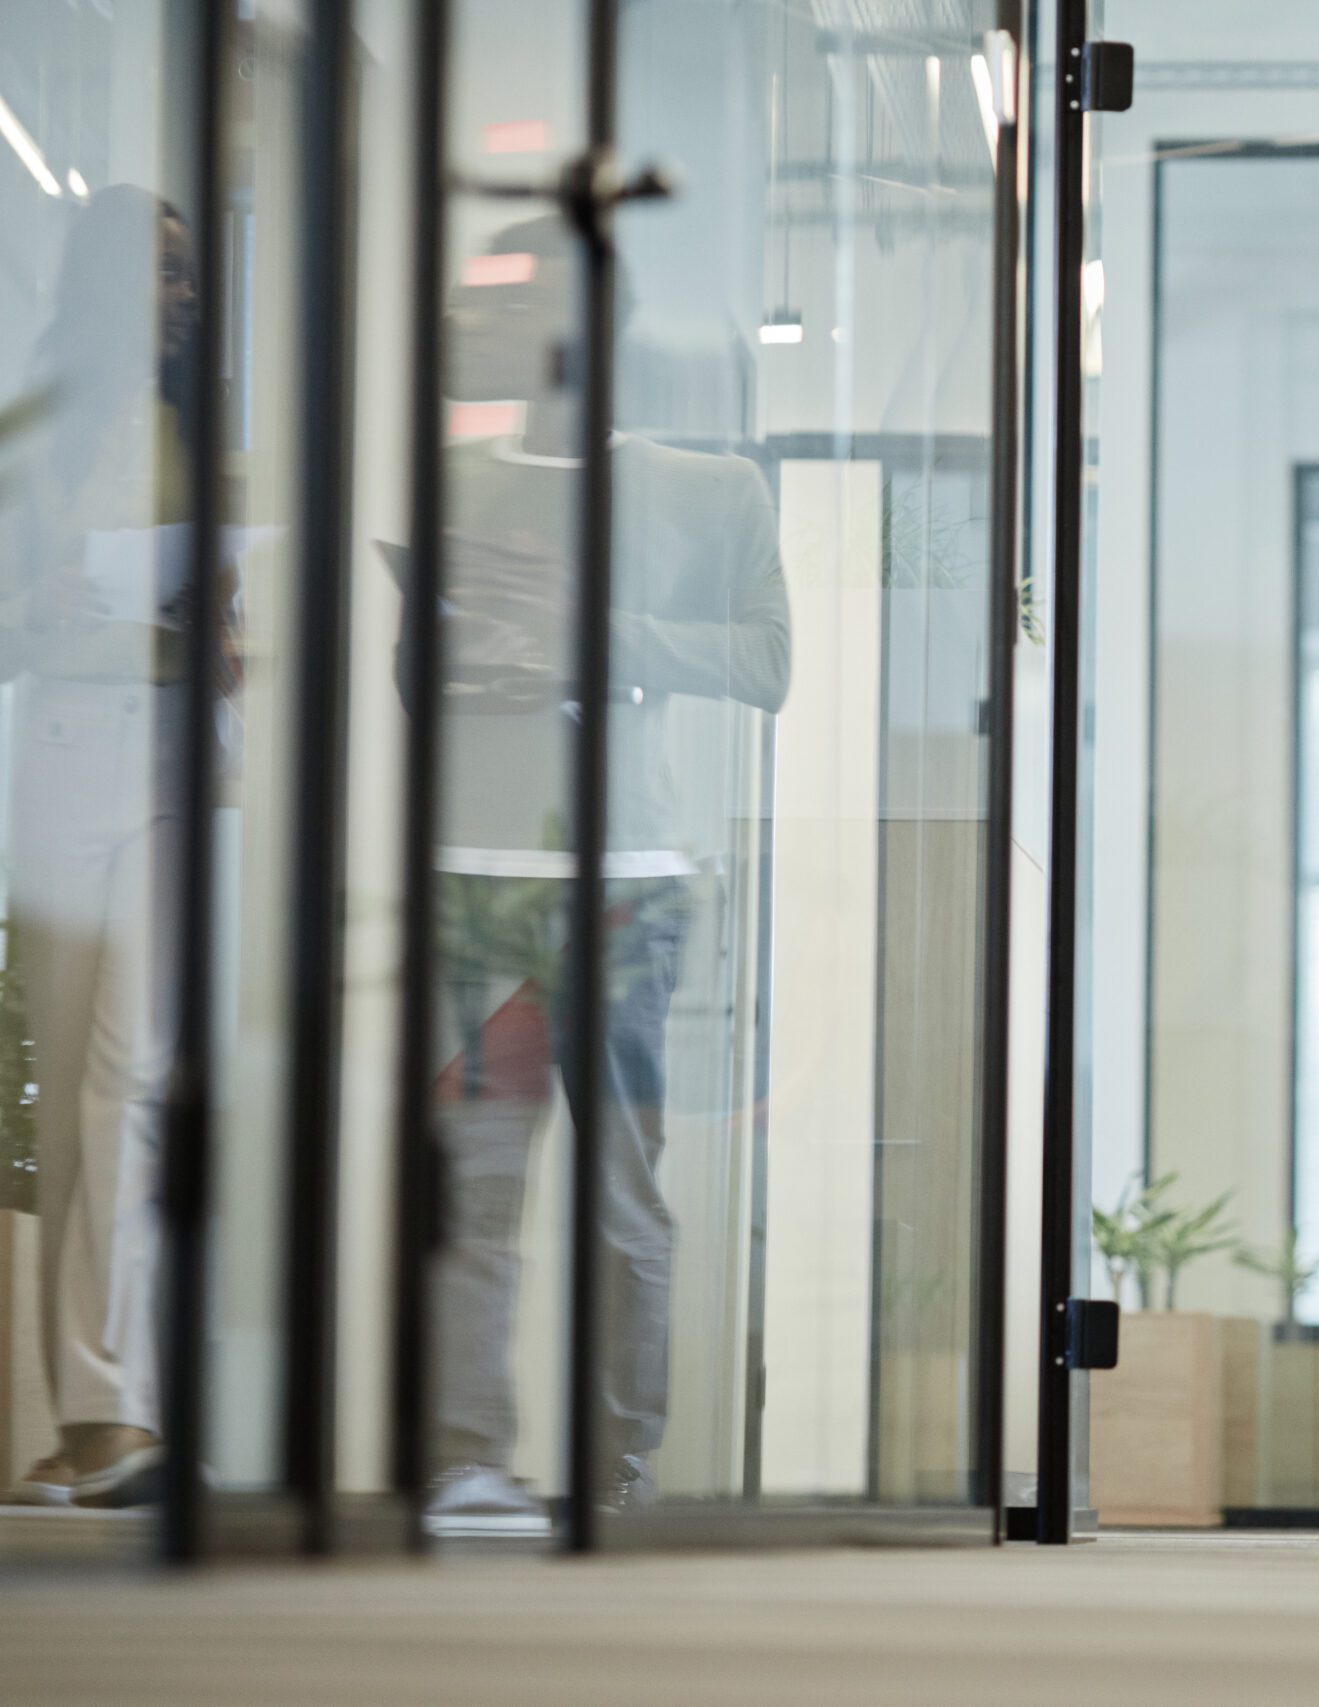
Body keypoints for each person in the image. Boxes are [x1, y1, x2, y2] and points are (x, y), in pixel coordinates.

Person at [404, 218, 791, 1536]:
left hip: (627, 885)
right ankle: (466, 1460)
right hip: (474, 881)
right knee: (473, 1189)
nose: (488, 317)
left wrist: (584, 626)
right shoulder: (447, 482)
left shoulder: (708, 489)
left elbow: (767, 664)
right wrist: (476, 652)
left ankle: (622, 1467)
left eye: (522, 295)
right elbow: (411, 677)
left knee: (622, 1192)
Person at [0, 188, 210, 1510]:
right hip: (69, 747)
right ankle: (77, 1424)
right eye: (162, 273)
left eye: (187, 277)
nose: (182, 297)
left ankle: (113, 1409)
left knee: (128, 1084)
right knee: (69, 1097)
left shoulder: (210, 425)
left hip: (181, 759)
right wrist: (37, 601)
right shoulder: (37, 430)